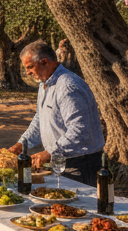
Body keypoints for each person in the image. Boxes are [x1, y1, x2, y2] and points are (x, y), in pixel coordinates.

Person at [8, 40, 105, 184]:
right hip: (61, 160)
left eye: (29, 67)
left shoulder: (67, 86)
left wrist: (50, 152)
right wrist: (22, 144)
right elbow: (40, 118)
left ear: (44, 62)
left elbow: (79, 129)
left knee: (78, 203)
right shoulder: (44, 83)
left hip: (80, 164)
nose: (27, 72)